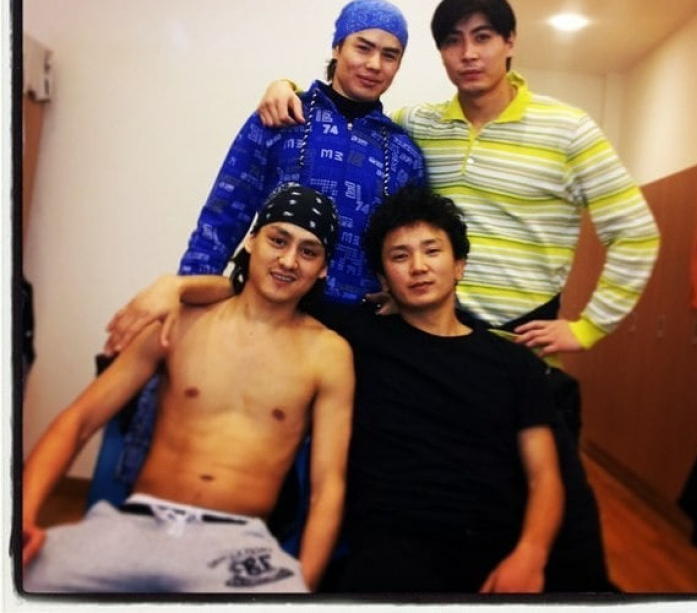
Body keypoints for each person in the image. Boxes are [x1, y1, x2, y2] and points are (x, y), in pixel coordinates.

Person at [97, 185, 612, 594]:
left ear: (459, 265)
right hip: (390, 551)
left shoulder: (512, 363)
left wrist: (530, 554)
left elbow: (546, 476)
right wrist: (175, 286)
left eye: (432, 251)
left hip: (495, 545)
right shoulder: (353, 338)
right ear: (383, 278)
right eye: (399, 256)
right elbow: (255, 289)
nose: (418, 266)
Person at [99, 0, 427, 498]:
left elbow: (408, 241)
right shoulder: (280, 117)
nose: (374, 64)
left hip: (354, 335)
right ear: (337, 46)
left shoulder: (402, 151)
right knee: (240, 452)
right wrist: (183, 296)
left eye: (390, 54)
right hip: (265, 316)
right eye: (363, 47)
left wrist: (401, 297)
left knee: (332, 471)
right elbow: (224, 214)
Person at [256, 0, 660, 372]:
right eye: (453, 41)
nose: (468, 54)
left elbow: (636, 233)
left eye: (482, 37)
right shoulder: (418, 125)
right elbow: (351, 117)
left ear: (510, 42)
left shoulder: (568, 130)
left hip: (517, 347)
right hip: (426, 341)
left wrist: (588, 327)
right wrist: (287, 89)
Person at [22, 184, 355, 594]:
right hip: (136, 525)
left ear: (322, 268)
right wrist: (22, 518)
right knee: (26, 578)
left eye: (308, 251)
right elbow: (79, 420)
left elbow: (327, 487)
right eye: (278, 240)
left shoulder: (328, 354)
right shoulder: (180, 320)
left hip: (239, 547)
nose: (289, 260)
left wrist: (305, 583)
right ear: (251, 240)